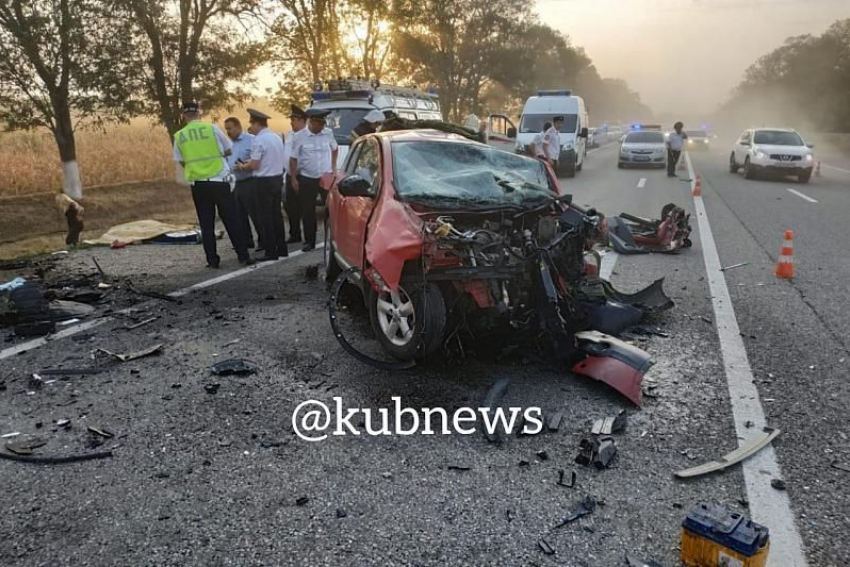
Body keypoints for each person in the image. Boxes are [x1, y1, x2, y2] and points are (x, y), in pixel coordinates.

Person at [172, 101, 253, 268]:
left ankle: (213, 260)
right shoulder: (212, 128)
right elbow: (229, 149)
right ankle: (243, 256)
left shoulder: (179, 135)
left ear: (184, 115)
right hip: (219, 180)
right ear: (198, 113)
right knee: (231, 219)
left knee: (206, 224)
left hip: (198, 184)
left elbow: (181, 161)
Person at [235, 108, 288, 261]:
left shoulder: (258, 140)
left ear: (256, 123)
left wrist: (242, 166)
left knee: (265, 218)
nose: (251, 128)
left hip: (262, 181)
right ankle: (282, 248)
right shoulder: (276, 137)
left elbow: (255, 165)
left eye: (251, 124)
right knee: (276, 215)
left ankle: (271, 251)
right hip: (277, 179)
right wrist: (249, 162)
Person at [290, 108, 339, 252]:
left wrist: (333, 167)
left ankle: (332, 237)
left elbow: (335, 149)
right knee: (308, 210)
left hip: (325, 177)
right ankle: (309, 241)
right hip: (307, 177)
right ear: (312, 122)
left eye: (323, 124)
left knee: (331, 209)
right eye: (319, 124)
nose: (322, 127)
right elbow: (293, 159)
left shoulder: (328, 133)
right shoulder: (299, 136)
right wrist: (293, 178)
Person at [223, 117, 257, 249]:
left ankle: (263, 240)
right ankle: (247, 241)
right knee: (239, 214)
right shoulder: (228, 143)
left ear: (238, 127)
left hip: (250, 181)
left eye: (230, 129)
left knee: (255, 214)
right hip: (235, 182)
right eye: (226, 129)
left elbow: (256, 159)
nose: (228, 132)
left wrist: (244, 164)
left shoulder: (251, 140)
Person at [283, 105, 307, 244]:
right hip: (289, 175)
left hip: (302, 175)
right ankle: (295, 234)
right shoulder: (290, 135)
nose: (291, 122)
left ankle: (309, 236)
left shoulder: (307, 135)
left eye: (294, 119)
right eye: (291, 119)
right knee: (290, 206)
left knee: (305, 207)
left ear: (302, 120)